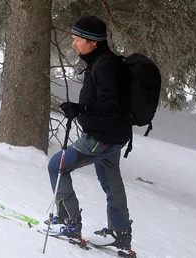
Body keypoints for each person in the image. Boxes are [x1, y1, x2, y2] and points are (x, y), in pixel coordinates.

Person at [45, 15, 134, 251]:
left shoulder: (105, 66)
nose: (74, 44)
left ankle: (69, 223)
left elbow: (112, 105)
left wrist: (82, 108)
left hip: (101, 139)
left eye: (78, 40)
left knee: (58, 165)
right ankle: (120, 232)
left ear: (94, 42)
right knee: (111, 181)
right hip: (115, 137)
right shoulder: (106, 62)